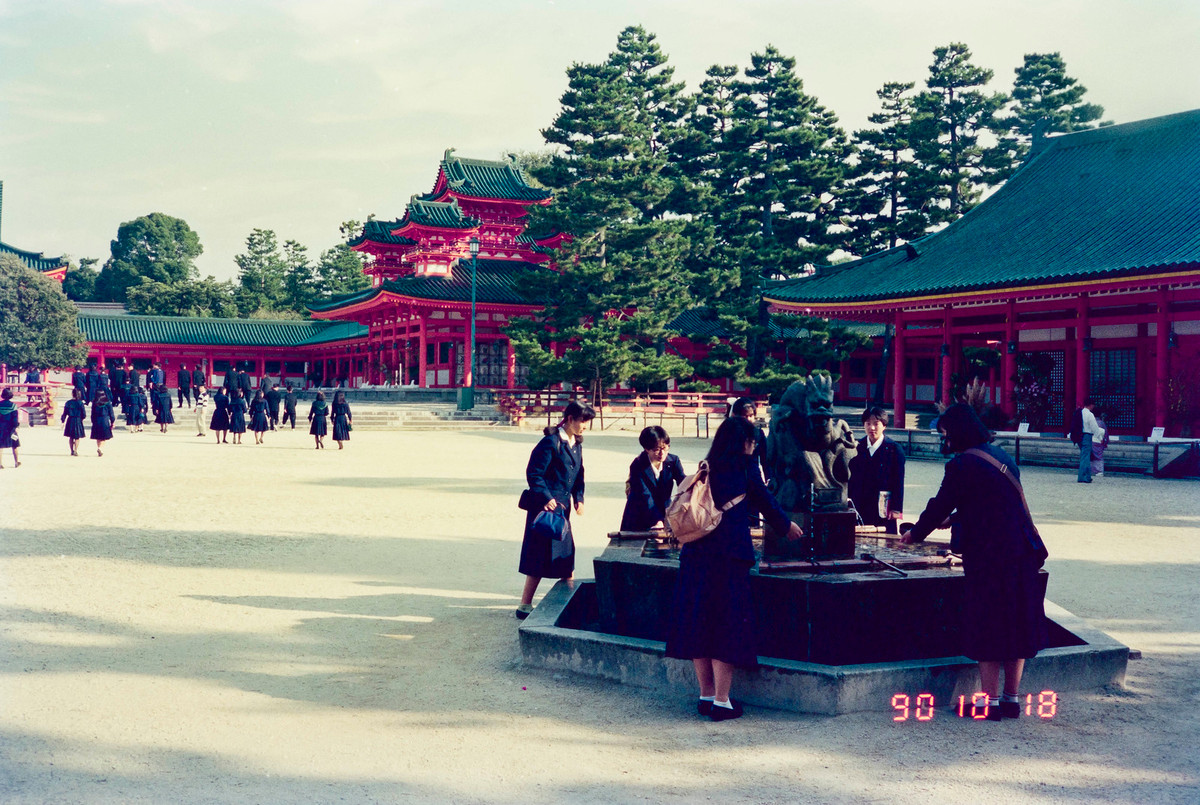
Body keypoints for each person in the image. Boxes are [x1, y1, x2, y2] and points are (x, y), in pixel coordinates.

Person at [901, 404, 1048, 721]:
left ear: (956, 433)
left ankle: (989, 704)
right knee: (1016, 625)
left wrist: (915, 534)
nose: (944, 440)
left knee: (989, 624)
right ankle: (1011, 700)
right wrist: (956, 517)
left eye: (945, 434)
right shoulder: (1003, 457)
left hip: (989, 558)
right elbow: (996, 502)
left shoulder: (961, 464)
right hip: (1021, 554)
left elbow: (939, 506)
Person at [665, 416, 804, 721]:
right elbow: (765, 500)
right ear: (744, 442)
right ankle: (722, 701)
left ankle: (705, 695)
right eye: (752, 441)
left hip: (695, 555)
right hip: (728, 560)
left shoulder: (706, 466)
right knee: (725, 626)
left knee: (699, 623)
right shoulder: (745, 467)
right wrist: (787, 526)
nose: (754, 446)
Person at [516, 401, 596, 621]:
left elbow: (579, 475)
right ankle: (524, 604)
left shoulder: (576, 444)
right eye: (583, 421)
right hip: (544, 508)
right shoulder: (550, 442)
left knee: (565, 554)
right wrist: (546, 497)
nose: (585, 426)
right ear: (570, 419)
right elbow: (534, 473)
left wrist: (579, 498)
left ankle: (568, 602)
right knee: (538, 556)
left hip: (563, 509)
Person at [847, 406, 906, 533]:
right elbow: (851, 479)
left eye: (876, 424)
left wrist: (896, 509)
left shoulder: (894, 449)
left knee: (884, 539)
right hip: (860, 503)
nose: (872, 428)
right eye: (868, 424)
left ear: (884, 425)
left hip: (883, 505)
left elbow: (898, 482)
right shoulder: (856, 448)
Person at [620, 425, 685, 531]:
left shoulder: (673, 461)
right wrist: (657, 520)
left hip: (664, 512)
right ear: (647, 449)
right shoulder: (637, 465)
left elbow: (683, 482)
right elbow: (645, 495)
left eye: (665, 448)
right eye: (656, 449)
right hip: (639, 514)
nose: (662, 453)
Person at [1075, 398, 1105, 483]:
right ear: (1091, 405)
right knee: (1085, 457)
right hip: (1087, 435)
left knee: (1084, 456)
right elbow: (1094, 427)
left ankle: (1086, 476)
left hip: (1080, 435)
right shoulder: (1089, 414)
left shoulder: (1080, 412)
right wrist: (1099, 437)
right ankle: (1083, 476)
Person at [61, 388, 88, 456]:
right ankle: (76, 450)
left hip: (70, 420)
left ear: (72, 394)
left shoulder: (68, 403)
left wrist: (63, 420)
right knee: (77, 437)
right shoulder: (80, 403)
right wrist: (81, 418)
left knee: (71, 437)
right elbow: (84, 414)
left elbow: (65, 413)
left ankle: (71, 450)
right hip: (78, 420)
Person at [90, 390, 115, 457]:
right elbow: (111, 414)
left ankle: (99, 447)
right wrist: (112, 421)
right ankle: (100, 448)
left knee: (98, 436)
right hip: (105, 420)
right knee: (104, 437)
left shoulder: (94, 403)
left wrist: (93, 421)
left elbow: (92, 413)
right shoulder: (107, 403)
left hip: (96, 420)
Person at [0, 388, 20, 468]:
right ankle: (16, 462)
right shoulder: (13, 406)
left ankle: (0, 464)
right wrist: (16, 427)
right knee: (14, 445)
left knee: (0, 446)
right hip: (11, 428)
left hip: (1, 427)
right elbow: (15, 418)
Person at [1091, 407, 1111, 478]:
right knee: (1099, 456)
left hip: (1091, 440)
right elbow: (1105, 434)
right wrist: (1106, 442)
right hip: (1099, 441)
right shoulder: (1101, 423)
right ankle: (1099, 471)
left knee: (1091, 456)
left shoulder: (1091, 422)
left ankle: (1092, 470)